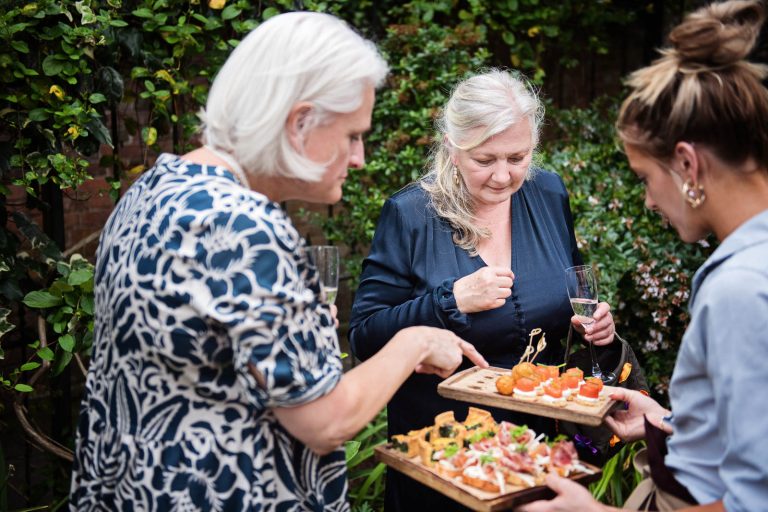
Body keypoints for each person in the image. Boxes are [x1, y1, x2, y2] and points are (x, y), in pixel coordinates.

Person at [69, 12, 488, 511]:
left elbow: (199, 365)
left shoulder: (154, 188)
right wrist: (415, 341)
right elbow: (324, 422)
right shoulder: (244, 226)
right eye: (352, 135)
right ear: (299, 122)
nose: (360, 157)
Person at [518, 1, 768, 511]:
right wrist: (666, 422)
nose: (649, 201)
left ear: (687, 164)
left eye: (646, 178)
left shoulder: (741, 289)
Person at [348, 69, 617, 511]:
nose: (503, 176)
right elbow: (364, 336)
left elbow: (570, 286)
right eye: (485, 160)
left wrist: (594, 324)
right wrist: (449, 301)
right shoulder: (410, 214)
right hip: (443, 459)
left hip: (535, 454)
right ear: (453, 149)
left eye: (518, 157)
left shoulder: (549, 193)